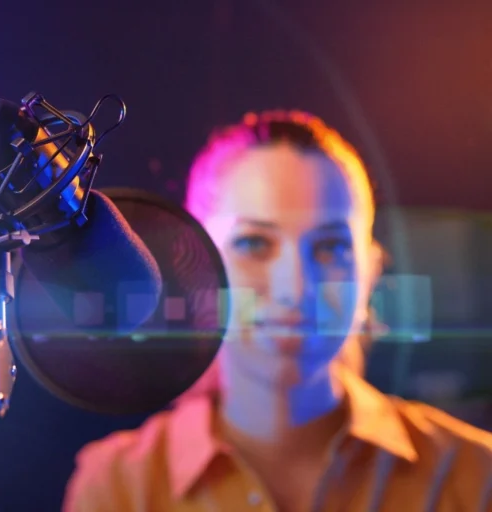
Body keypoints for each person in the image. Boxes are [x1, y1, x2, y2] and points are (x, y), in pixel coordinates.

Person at [63, 110, 492, 512]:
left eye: (330, 247)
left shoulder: (474, 476)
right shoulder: (118, 488)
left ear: (370, 272)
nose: (295, 288)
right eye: (254, 243)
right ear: (193, 267)